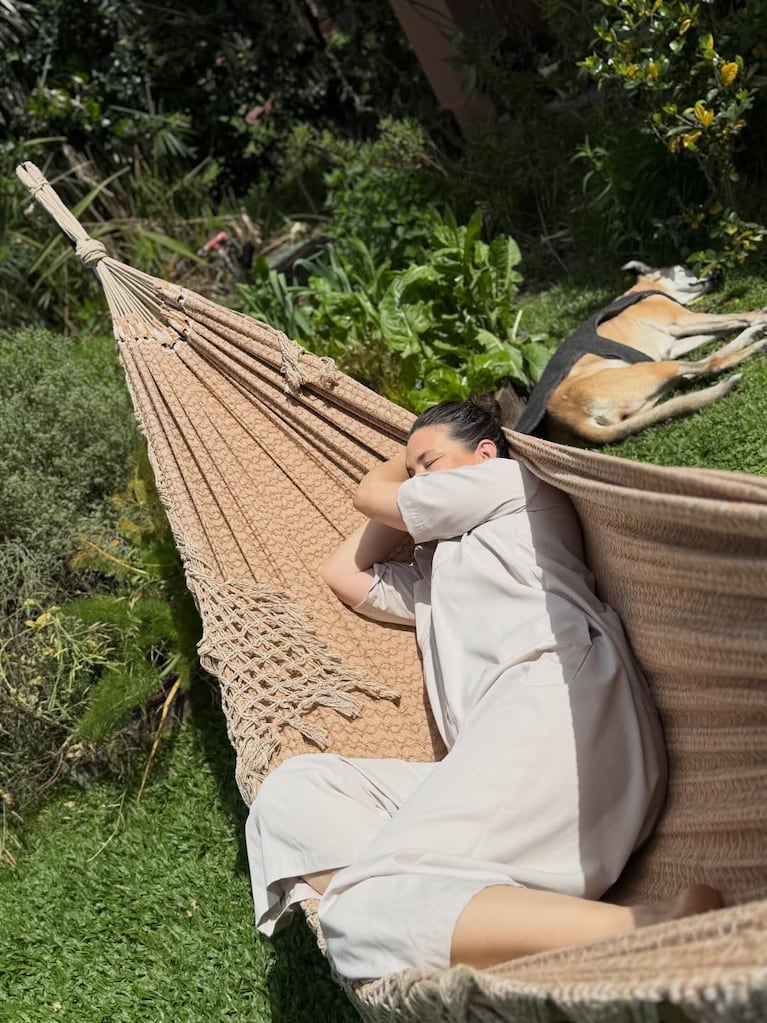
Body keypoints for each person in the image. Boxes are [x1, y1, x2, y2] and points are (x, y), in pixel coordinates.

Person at [245, 394, 722, 980]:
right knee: (294, 793)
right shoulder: (439, 574)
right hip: (497, 755)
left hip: (557, 709)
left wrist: (399, 460)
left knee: (358, 918)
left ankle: (654, 931)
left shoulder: (510, 485)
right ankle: (484, 917)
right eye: (414, 472)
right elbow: (346, 575)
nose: (418, 479)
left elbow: (370, 492)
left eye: (431, 464)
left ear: (486, 453)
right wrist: (422, 463)